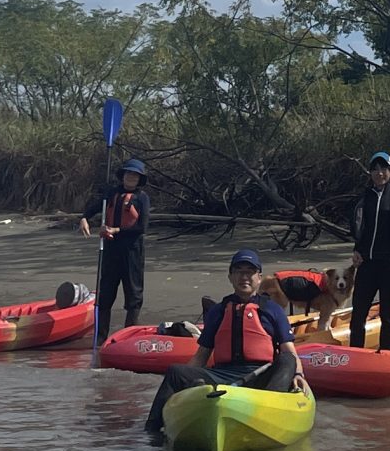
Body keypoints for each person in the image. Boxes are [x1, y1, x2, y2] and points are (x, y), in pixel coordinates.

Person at [144, 249, 301, 435]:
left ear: (259, 277)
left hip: (261, 376)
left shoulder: (273, 310)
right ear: (231, 277)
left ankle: (272, 413)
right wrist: (184, 384)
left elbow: (289, 351)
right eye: (239, 271)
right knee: (175, 372)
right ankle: (152, 433)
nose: (244, 277)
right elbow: (201, 355)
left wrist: (299, 375)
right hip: (223, 376)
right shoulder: (218, 311)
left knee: (287, 359)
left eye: (249, 272)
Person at [347, 150, 390, 349]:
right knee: (358, 314)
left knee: (388, 315)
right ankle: (355, 353)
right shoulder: (364, 197)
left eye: (383, 169)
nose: (379, 173)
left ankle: (385, 354)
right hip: (367, 264)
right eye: (375, 170)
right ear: (370, 173)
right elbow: (359, 227)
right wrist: (356, 249)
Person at [82, 157, 150, 340]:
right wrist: (84, 217)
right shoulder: (110, 193)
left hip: (132, 252)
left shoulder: (141, 198)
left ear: (139, 179)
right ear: (123, 176)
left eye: (135, 176)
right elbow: (94, 207)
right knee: (105, 294)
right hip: (111, 251)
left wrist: (116, 229)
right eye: (128, 174)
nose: (131, 178)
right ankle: (100, 338)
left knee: (133, 296)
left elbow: (141, 227)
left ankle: (129, 338)